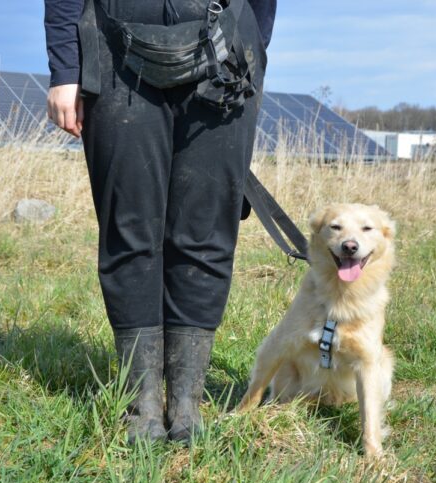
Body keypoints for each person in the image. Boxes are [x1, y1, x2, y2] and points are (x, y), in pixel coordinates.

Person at [44, 0, 276, 444]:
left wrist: (252, 47)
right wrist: (65, 68)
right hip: (115, 47)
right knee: (129, 231)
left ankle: (187, 402)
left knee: (206, 233)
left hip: (226, 50)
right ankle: (142, 404)